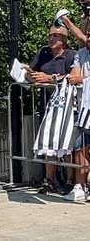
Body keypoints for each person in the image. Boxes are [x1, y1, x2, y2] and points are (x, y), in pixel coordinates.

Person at [25, 25, 75, 194]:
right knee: (48, 143)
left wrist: (50, 79)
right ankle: (50, 180)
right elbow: (32, 71)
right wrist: (29, 75)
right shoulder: (43, 52)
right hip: (45, 105)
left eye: (56, 36)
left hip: (64, 107)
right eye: (50, 35)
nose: (51, 38)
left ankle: (70, 180)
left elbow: (73, 78)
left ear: (64, 40)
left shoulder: (71, 56)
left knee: (66, 144)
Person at [65, 38, 90, 201]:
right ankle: (80, 187)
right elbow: (74, 75)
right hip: (85, 109)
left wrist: (83, 79)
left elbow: (79, 78)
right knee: (80, 146)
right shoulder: (81, 53)